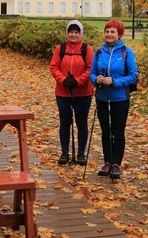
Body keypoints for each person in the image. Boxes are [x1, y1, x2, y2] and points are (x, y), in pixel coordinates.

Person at [89, 19, 138, 180]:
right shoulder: (99, 52)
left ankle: (116, 163)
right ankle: (107, 162)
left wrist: (115, 82)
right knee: (105, 132)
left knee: (117, 132)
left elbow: (133, 76)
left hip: (120, 98)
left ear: (119, 34)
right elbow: (92, 73)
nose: (109, 34)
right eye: (107, 31)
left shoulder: (126, 52)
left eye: (113, 32)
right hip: (102, 96)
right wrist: (97, 79)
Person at [49, 20, 94, 165]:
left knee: (81, 122)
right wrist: (63, 80)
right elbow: (54, 67)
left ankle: (81, 153)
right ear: (67, 33)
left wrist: (78, 81)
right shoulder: (60, 48)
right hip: (63, 92)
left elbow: (91, 68)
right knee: (65, 122)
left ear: (80, 33)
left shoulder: (87, 49)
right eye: (71, 32)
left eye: (76, 32)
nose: (73, 35)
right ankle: (64, 152)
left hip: (83, 92)